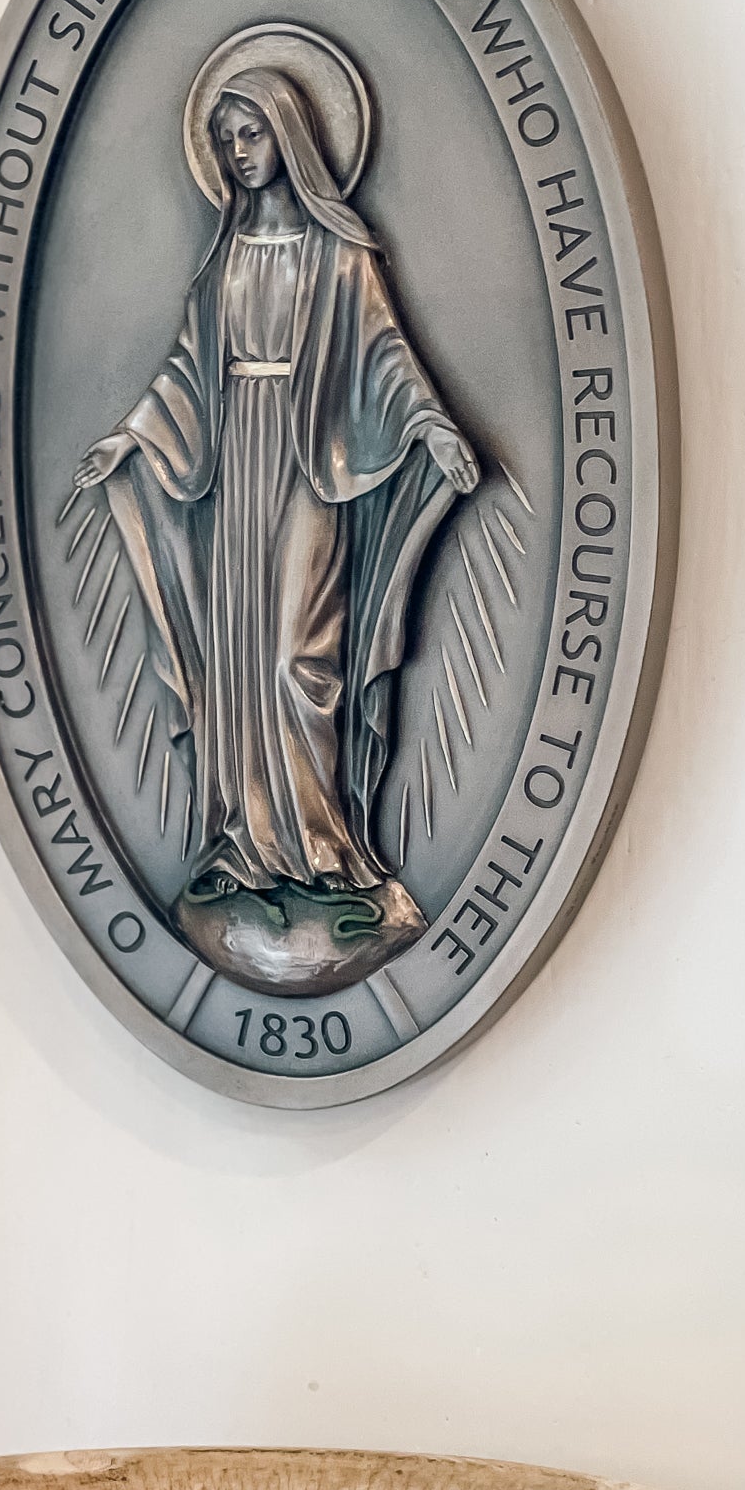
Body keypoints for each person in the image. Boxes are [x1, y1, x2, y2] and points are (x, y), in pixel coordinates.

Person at [74, 65, 479, 922]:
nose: (238, 152)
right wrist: (132, 436)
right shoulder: (224, 255)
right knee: (239, 656)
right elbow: (188, 367)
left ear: (289, 133)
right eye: (226, 139)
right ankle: (244, 840)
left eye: (251, 133)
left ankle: (320, 841)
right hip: (236, 469)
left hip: (309, 464)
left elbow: (385, 354)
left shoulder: (341, 254)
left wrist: (431, 426)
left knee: (300, 654)